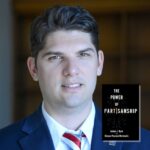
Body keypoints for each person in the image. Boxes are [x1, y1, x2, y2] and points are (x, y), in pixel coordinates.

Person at [0, 5, 150, 150]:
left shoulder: (144, 144)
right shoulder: (4, 143)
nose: (71, 70)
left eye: (83, 55)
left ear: (99, 63)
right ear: (33, 69)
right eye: (56, 57)